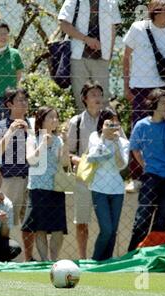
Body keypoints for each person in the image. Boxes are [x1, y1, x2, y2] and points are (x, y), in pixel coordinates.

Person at [123, 0, 165, 193]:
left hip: (163, 88)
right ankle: (137, 176)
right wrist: (126, 87)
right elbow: (126, 57)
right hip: (139, 87)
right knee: (139, 132)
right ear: (155, 12)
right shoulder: (138, 28)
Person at [128, 89, 165, 252]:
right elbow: (135, 149)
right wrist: (146, 166)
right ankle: (132, 254)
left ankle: (151, 254)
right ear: (154, 104)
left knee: (161, 220)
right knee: (142, 219)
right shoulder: (142, 125)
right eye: (163, 102)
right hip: (151, 176)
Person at [0, 87, 35, 261]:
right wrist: (10, 131)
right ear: (9, 104)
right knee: (7, 219)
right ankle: (6, 256)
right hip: (9, 180)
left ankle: (27, 258)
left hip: (31, 180)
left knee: (28, 222)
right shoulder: (1, 126)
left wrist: (29, 131)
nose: (24, 103)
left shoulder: (32, 124)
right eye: (20, 100)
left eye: (26, 100)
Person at [23, 107, 70, 261]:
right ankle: (44, 260)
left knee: (58, 229)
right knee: (40, 228)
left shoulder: (59, 140)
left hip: (55, 187)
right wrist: (43, 143)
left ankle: (54, 259)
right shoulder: (32, 138)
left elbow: (64, 163)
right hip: (37, 188)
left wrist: (66, 144)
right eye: (51, 117)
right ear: (41, 119)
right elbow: (31, 160)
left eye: (56, 117)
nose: (55, 120)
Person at [58, 0, 121, 111]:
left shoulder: (111, 2)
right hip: (78, 56)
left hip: (101, 57)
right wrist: (86, 39)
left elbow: (113, 29)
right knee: (81, 98)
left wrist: (109, 54)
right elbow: (63, 24)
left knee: (104, 99)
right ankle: (84, 126)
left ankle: (103, 126)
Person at [86, 107, 129, 261]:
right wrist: (104, 138)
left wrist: (116, 143)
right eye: (109, 123)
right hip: (98, 188)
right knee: (106, 229)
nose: (113, 126)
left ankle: (107, 260)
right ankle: (96, 260)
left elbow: (121, 165)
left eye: (115, 122)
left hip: (117, 190)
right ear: (102, 123)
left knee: (113, 231)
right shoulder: (94, 137)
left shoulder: (123, 142)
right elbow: (92, 158)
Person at [67, 81, 102, 259]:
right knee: (82, 221)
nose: (97, 98)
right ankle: (82, 259)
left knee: (107, 223)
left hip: (105, 177)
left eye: (99, 94)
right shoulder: (76, 121)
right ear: (84, 99)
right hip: (84, 178)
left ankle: (103, 257)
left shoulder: (110, 118)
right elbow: (68, 152)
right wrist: (80, 160)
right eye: (93, 94)